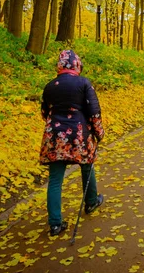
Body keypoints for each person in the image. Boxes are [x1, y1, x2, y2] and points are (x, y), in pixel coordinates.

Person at [40, 49, 105, 236]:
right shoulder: (84, 83)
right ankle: (91, 201)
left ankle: (55, 224)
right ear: (78, 64)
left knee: (55, 179)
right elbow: (94, 111)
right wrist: (98, 132)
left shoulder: (50, 86)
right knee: (87, 165)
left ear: (59, 65)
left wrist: (56, 126)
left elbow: (45, 112)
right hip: (78, 134)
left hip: (54, 136)